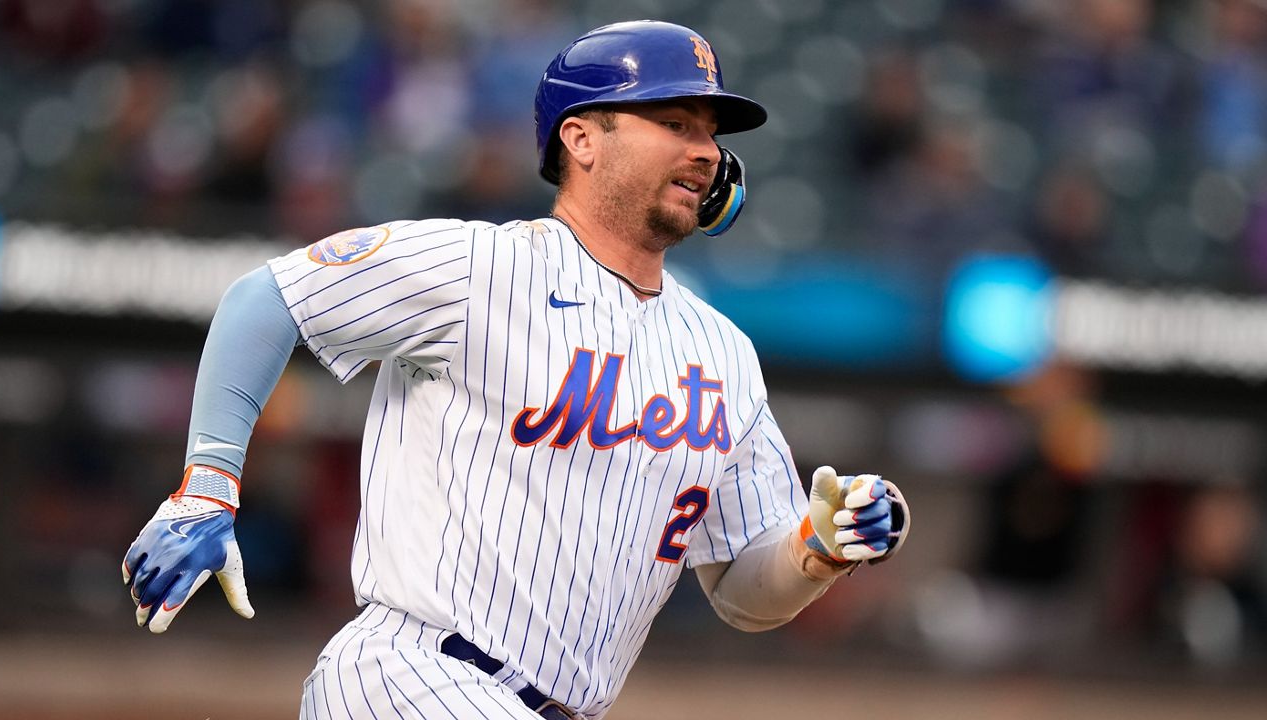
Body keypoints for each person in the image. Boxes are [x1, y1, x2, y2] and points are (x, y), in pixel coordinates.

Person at [122, 20, 910, 720]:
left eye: (709, 131)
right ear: (582, 139)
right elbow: (267, 299)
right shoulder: (480, 267)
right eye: (674, 121)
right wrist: (209, 485)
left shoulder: (724, 353)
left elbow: (741, 592)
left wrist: (818, 546)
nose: (705, 149)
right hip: (409, 675)